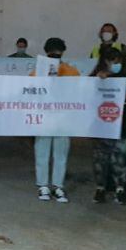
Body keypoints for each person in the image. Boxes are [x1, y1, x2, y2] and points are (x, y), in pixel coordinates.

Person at [32, 38, 78, 203]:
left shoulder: (71, 71)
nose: (55, 55)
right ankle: (43, 185)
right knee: (42, 151)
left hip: (63, 117)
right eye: (52, 52)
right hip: (43, 116)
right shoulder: (37, 71)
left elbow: (79, 91)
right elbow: (29, 90)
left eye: (58, 52)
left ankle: (58, 186)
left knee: (61, 153)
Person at [91, 46, 126, 204]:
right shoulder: (95, 77)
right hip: (101, 125)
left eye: (118, 61)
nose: (116, 64)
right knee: (100, 159)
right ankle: (100, 188)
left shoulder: (125, 78)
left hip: (121, 125)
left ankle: (120, 189)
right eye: (112, 61)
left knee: (119, 159)